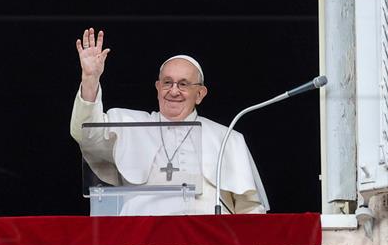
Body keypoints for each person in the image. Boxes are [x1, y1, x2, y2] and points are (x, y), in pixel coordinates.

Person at [70, 28, 268, 215]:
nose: (174, 91)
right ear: (157, 87)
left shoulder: (226, 138)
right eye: (167, 83)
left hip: (209, 241)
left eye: (183, 84)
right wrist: (90, 79)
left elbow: (250, 209)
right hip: (141, 240)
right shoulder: (128, 124)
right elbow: (86, 134)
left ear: (200, 94)